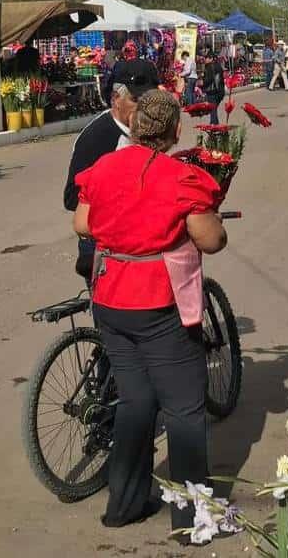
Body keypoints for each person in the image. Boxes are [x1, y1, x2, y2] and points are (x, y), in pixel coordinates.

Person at [72, 89, 227, 536]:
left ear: (136, 126)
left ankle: (123, 503)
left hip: (111, 300)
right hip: (159, 303)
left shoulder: (103, 168)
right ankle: (193, 518)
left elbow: (82, 223)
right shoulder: (181, 178)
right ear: (175, 131)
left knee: (136, 401)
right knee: (183, 410)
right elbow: (209, 239)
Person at [64, 59, 160, 280]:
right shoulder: (98, 137)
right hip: (105, 247)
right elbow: (71, 198)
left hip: (142, 238)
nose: (144, 107)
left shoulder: (146, 129)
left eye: (150, 99)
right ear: (116, 99)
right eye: (137, 100)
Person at [201, 55, 226, 124]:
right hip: (220, 91)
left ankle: (214, 125)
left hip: (212, 91)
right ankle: (214, 124)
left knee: (212, 109)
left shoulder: (209, 67)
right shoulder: (218, 66)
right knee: (213, 109)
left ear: (211, 58)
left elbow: (209, 79)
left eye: (206, 58)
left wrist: (202, 83)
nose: (205, 60)